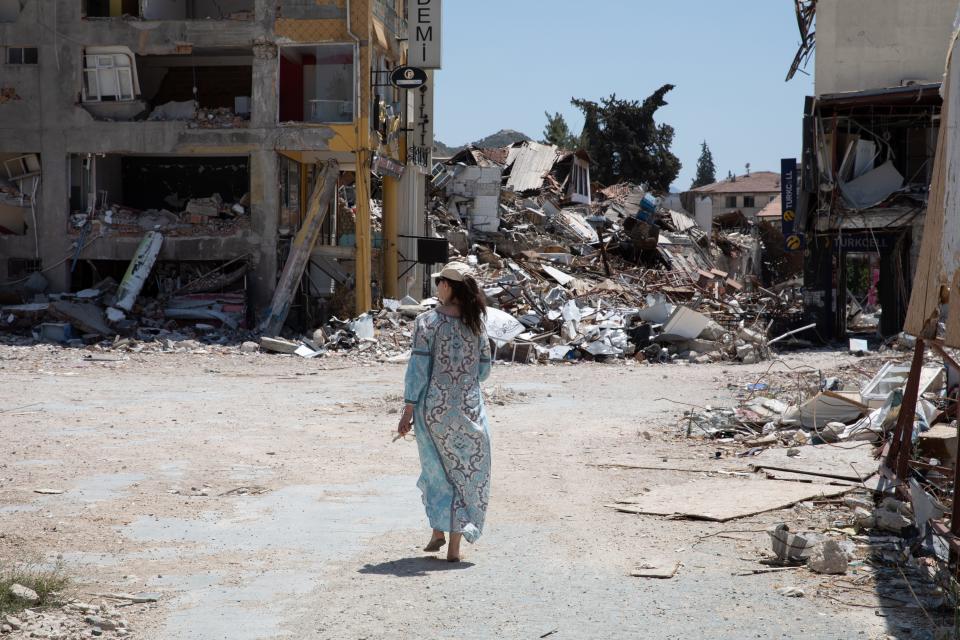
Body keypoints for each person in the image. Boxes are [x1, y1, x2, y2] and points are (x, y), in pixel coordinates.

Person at [398, 262, 492, 562]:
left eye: (439, 282)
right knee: (465, 475)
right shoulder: (476, 324)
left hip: (434, 412)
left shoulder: (427, 323)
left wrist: (407, 409)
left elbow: (418, 370)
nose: (437, 286)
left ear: (448, 287)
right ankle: (451, 544)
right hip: (470, 410)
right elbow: (484, 371)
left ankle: (439, 531)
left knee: (438, 473)